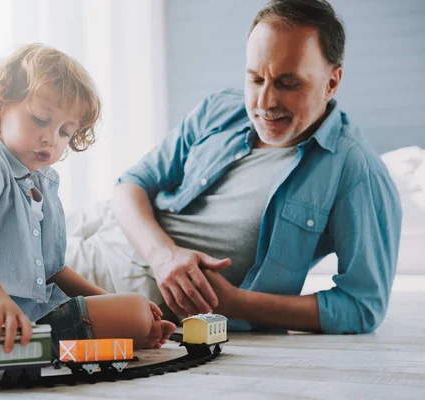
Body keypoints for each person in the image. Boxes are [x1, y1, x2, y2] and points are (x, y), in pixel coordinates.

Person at [106, 0, 402, 334]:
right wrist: (163, 256)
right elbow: (130, 184)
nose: (264, 103)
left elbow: (363, 306)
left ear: (332, 82)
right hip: (100, 247)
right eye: (256, 79)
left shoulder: (357, 172)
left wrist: (236, 303)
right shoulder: (219, 110)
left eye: (288, 83)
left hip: (129, 309)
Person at [0, 43, 175, 355]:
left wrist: (109, 301)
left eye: (65, 132)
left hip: (36, 315)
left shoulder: (44, 181)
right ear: (0, 105)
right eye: (41, 119)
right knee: (133, 312)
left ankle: (123, 329)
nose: (51, 139)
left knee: (134, 309)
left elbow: (54, 271)